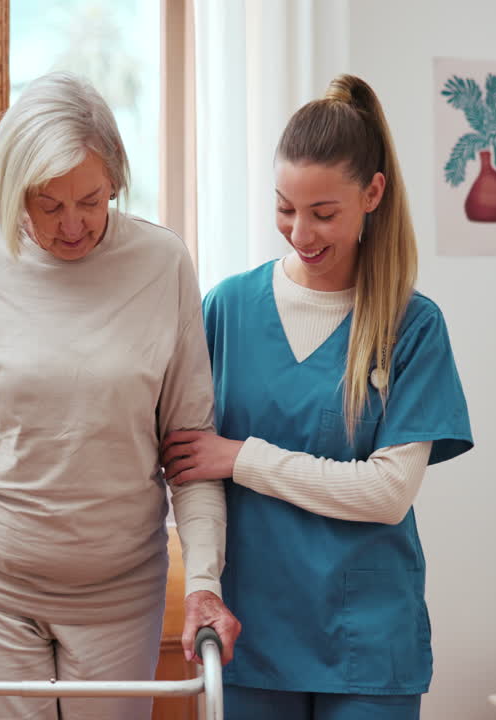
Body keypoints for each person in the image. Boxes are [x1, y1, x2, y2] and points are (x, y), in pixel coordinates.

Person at [0, 71, 240, 720]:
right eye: (46, 205)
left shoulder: (162, 264)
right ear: (10, 193)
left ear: (115, 179)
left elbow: (191, 454)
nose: (72, 227)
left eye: (90, 200)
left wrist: (203, 582)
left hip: (119, 588)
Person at [161, 74, 473, 719]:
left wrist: (241, 457)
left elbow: (388, 494)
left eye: (323, 213)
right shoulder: (227, 309)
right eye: (284, 208)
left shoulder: (410, 326)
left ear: (373, 194)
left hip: (365, 638)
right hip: (251, 630)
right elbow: (187, 463)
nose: (300, 232)